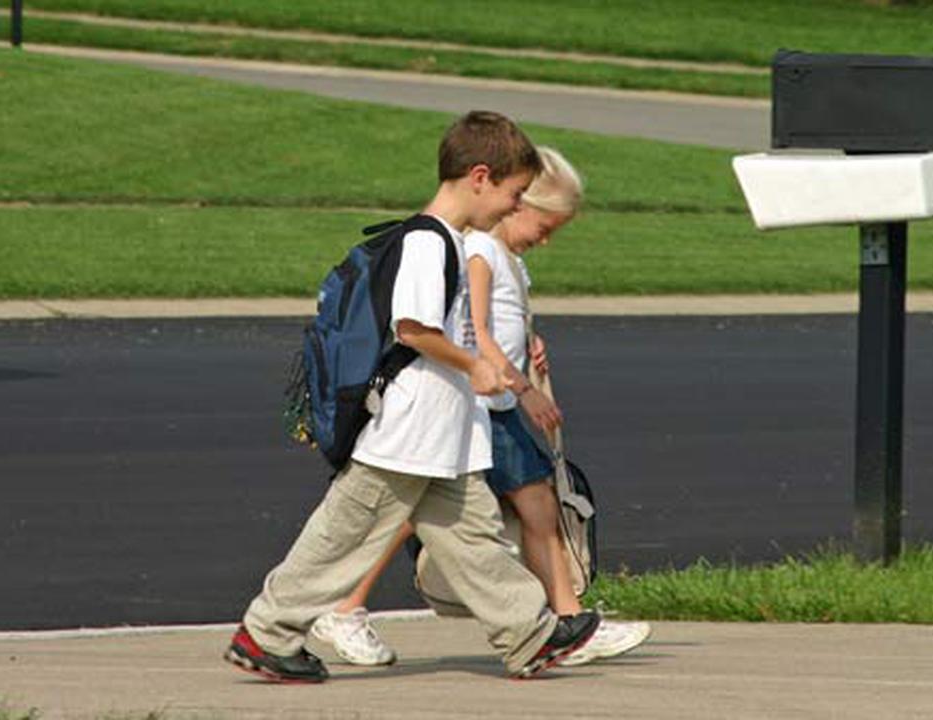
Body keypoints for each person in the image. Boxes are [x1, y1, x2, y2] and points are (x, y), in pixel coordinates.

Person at [224, 112, 600, 683]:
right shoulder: (428, 241)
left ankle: (529, 633)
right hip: (408, 433)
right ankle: (267, 633)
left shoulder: (447, 239)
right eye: (513, 193)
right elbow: (414, 329)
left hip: (441, 434)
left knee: (473, 536)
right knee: (342, 536)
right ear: (480, 177)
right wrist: (477, 365)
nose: (512, 207)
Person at [310, 147, 651, 669]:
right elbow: (475, 331)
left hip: (491, 402)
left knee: (514, 508)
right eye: (543, 223)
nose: (546, 237)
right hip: (481, 404)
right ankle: (561, 620)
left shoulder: (506, 257)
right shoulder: (481, 253)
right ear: (514, 205)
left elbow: (501, 326)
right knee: (455, 510)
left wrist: (530, 347)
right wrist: (524, 387)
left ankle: (560, 619)